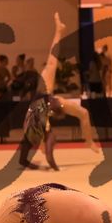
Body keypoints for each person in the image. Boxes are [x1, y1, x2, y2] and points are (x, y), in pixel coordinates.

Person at [19, 13, 69, 171]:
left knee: (51, 63)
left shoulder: (40, 127)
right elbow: (48, 154)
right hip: (40, 102)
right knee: (51, 62)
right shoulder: (44, 129)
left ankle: (59, 30)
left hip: (39, 102)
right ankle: (58, 30)